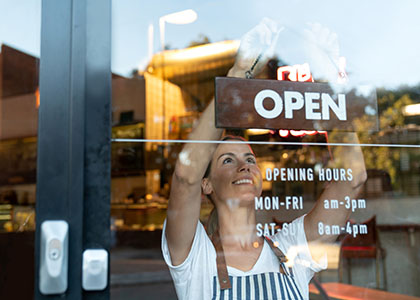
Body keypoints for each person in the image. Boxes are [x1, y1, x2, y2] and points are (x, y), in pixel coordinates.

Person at [161, 19, 367, 300]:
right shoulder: (194, 255)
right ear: (206, 184)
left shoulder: (291, 248)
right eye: (227, 161)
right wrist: (237, 73)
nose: (244, 165)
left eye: (249, 158)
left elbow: (352, 179)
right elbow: (186, 176)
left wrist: (325, 79)